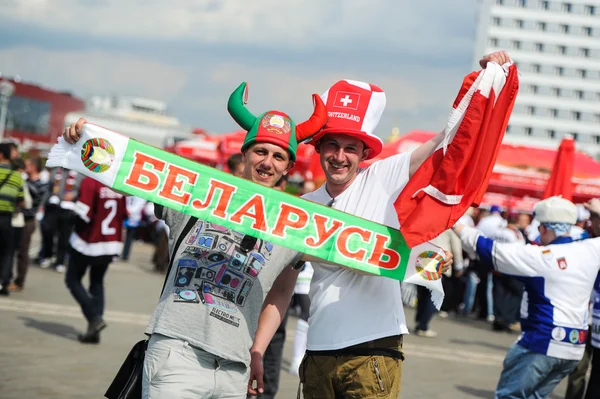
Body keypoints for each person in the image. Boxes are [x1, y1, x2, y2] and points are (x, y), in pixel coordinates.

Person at [249, 52, 502, 397]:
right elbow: (282, 289)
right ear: (319, 148)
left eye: (350, 148)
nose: (340, 156)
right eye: (332, 146)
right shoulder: (303, 207)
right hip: (318, 352)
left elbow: (448, 140)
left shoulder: (383, 178)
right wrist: (258, 349)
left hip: (373, 350)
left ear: (364, 154)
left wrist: (484, 81)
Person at [63, 82, 329, 398]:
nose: (267, 162)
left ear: (288, 166)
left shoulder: (293, 224)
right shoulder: (199, 192)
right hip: (178, 353)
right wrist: (90, 140)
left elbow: (283, 290)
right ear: (244, 154)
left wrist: (257, 351)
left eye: (278, 156)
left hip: (235, 367)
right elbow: (133, 175)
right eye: (260, 151)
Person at [453, 196, 600, 399]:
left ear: (544, 228)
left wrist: (453, 222)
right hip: (573, 348)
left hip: (541, 342)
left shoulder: (539, 257)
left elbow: (485, 248)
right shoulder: (590, 249)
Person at [64, 176, 127, 343]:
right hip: (110, 241)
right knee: (97, 283)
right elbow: (124, 214)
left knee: (72, 279)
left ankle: (94, 318)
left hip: (88, 241)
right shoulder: (117, 183)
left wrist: (74, 202)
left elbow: (83, 214)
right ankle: (94, 332)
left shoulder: (91, 181)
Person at [9, 157, 47, 291]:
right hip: (16, 218)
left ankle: (19, 282)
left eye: (28, 164)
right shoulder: (24, 180)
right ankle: (7, 277)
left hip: (28, 221)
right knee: (10, 250)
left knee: (23, 251)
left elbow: (35, 199)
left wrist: (21, 183)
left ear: (34, 166)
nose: (26, 167)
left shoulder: (42, 184)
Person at [40, 166, 83, 272]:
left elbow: (82, 190)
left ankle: (60, 261)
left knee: (64, 236)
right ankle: (48, 254)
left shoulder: (81, 173)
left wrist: (74, 194)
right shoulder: (56, 170)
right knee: (47, 230)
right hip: (53, 207)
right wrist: (42, 204)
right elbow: (49, 189)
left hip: (68, 209)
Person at [0, 142, 24, 296]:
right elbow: (21, 201)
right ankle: (4, 283)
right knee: (7, 252)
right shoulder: (17, 176)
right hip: (6, 219)